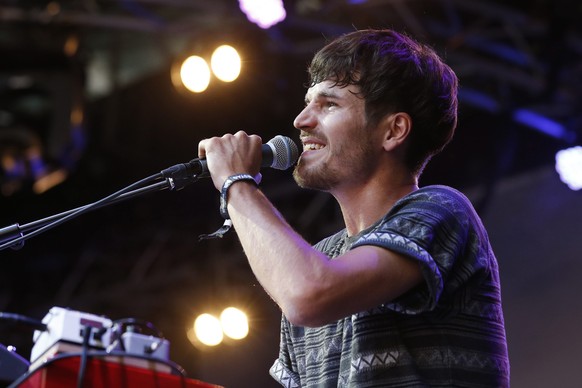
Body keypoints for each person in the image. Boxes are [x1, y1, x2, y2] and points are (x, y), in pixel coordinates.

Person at [197, 29, 510, 387]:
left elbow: (308, 295)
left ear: (393, 131)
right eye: (308, 102)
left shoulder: (441, 209)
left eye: (329, 104)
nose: (301, 121)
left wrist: (236, 182)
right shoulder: (316, 259)